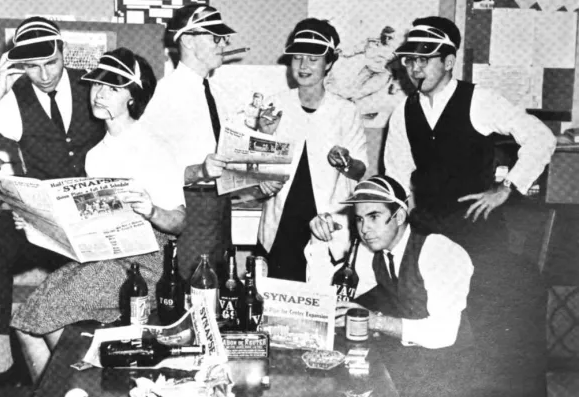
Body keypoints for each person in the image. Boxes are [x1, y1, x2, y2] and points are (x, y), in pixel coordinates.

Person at [384, 16, 556, 396]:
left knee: (492, 326)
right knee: (431, 325)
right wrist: (406, 211)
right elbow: (396, 175)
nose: (415, 67)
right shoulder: (403, 113)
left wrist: (506, 187)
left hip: (477, 234)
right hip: (429, 234)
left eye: (425, 59)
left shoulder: (480, 100)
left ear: (449, 61)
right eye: (411, 59)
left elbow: (540, 138)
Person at [0, 16, 105, 379]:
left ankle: (87, 368)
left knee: (90, 286)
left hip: (89, 224)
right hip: (40, 225)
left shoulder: (93, 86)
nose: (44, 75)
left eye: (51, 62)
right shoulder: (13, 100)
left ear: (64, 51)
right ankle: (1, 362)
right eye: (32, 66)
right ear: (18, 65)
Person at [10, 47, 186, 383]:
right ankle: (66, 388)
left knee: (44, 316)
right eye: (96, 85)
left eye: (113, 87)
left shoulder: (155, 147)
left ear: (133, 97)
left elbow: (179, 222)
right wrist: (37, 226)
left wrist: (151, 210)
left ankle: (75, 386)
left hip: (144, 266)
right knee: (25, 320)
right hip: (103, 258)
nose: (100, 93)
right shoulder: (95, 156)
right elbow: (86, 231)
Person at [326, 176, 474, 397]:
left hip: (454, 372)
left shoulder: (439, 251)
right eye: (359, 219)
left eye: (374, 216)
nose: (364, 229)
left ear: (400, 216)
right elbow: (335, 295)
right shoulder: (378, 254)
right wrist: (319, 239)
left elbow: (444, 334)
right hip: (410, 365)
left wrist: (374, 321)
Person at [255, 18, 368, 281]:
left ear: (329, 63)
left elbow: (360, 170)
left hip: (326, 226)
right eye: (297, 58)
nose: (303, 66)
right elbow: (255, 173)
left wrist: (345, 162)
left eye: (313, 59)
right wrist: (263, 136)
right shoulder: (274, 106)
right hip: (281, 225)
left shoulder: (345, 111)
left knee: (322, 305)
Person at [136, 4, 237, 280]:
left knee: (217, 287)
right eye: (215, 37)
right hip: (189, 210)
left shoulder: (217, 93)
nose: (223, 44)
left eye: (222, 38)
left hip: (221, 206)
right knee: (189, 288)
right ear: (189, 40)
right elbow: (145, 168)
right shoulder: (162, 95)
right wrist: (198, 171)